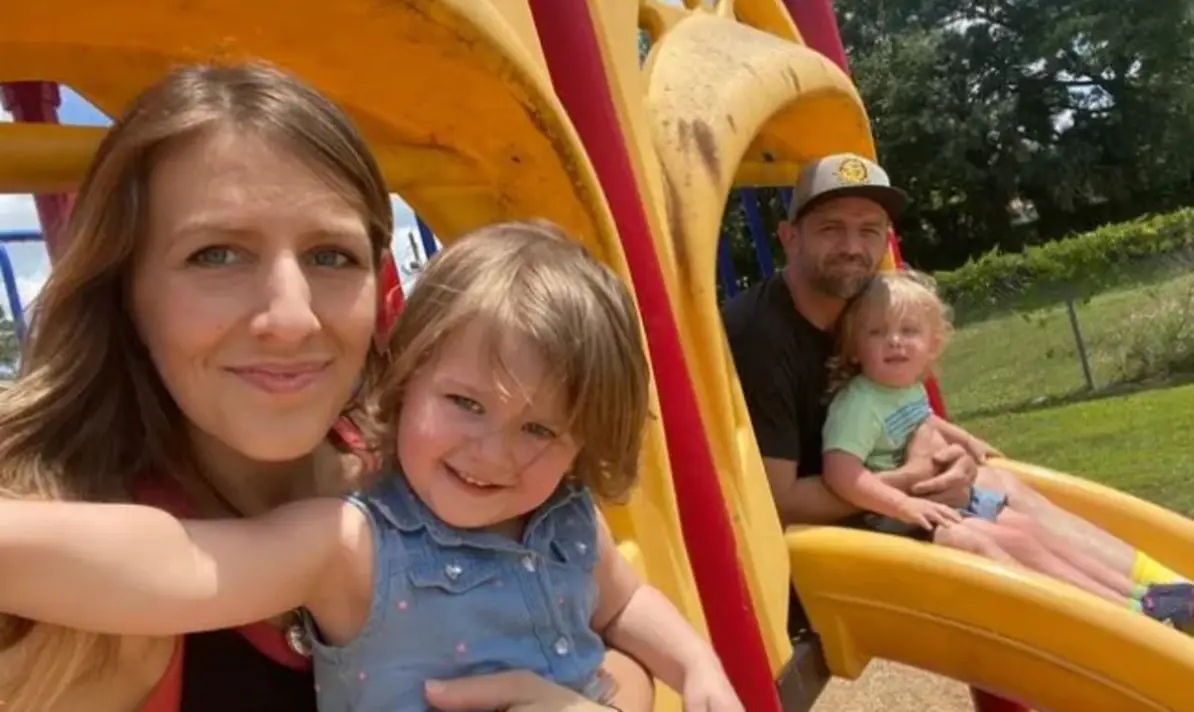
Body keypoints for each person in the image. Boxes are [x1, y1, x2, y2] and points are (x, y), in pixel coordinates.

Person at [0, 63, 653, 712]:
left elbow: (601, 631)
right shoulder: (73, 609)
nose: (291, 318)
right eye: (217, 255)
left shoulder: (447, 467)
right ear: (125, 295)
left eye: (330, 256)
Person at [0, 221, 743, 712]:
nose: (496, 452)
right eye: (466, 403)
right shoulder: (356, 546)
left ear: (582, 440)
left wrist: (696, 666)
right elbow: (179, 562)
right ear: (407, 377)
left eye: (541, 428)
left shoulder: (569, 523)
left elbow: (622, 605)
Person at [720, 152, 1186, 617]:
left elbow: (906, 412)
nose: (852, 246)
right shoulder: (760, 334)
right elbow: (781, 503)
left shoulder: (866, 304)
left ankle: (1168, 590)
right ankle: (1128, 622)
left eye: (869, 230)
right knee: (983, 540)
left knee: (1003, 486)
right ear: (789, 238)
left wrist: (956, 457)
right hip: (818, 535)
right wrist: (915, 478)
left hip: (887, 493)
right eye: (830, 228)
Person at [820, 270, 1194, 625]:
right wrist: (904, 503)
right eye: (877, 332)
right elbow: (840, 472)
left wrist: (965, 440)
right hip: (893, 518)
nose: (895, 341)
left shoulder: (905, 386)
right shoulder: (859, 405)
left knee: (1029, 530)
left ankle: (1142, 597)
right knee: (1010, 543)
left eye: (909, 331)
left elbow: (922, 419)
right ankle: (1120, 616)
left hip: (940, 503)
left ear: (932, 346)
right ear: (855, 348)